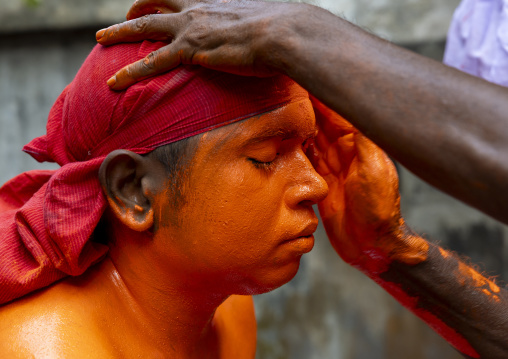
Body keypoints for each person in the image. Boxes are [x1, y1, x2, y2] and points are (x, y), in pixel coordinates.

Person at [92, 0, 508, 357]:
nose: (318, 186)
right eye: (265, 158)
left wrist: (294, 34)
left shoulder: (230, 313)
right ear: (135, 190)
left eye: (307, 151)